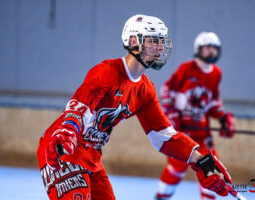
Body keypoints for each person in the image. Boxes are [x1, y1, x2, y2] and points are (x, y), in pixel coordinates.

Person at [37, 15, 232, 200]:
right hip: (63, 149)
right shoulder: (106, 72)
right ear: (133, 41)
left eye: (161, 41)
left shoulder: (145, 90)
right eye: (153, 41)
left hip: (91, 157)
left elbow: (164, 136)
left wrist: (202, 160)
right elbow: (80, 106)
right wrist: (68, 131)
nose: (160, 47)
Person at [154, 32, 235, 200]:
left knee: (211, 168)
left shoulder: (216, 73)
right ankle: (161, 196)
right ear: (198, 49)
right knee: (176, 167)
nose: (211, 51)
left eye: (214, 48)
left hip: (202, 132)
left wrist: (222, 118)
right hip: (183, 130)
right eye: (207, 48)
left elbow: (213, 101)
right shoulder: (187, 68)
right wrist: (172, 115)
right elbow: (167, 89)